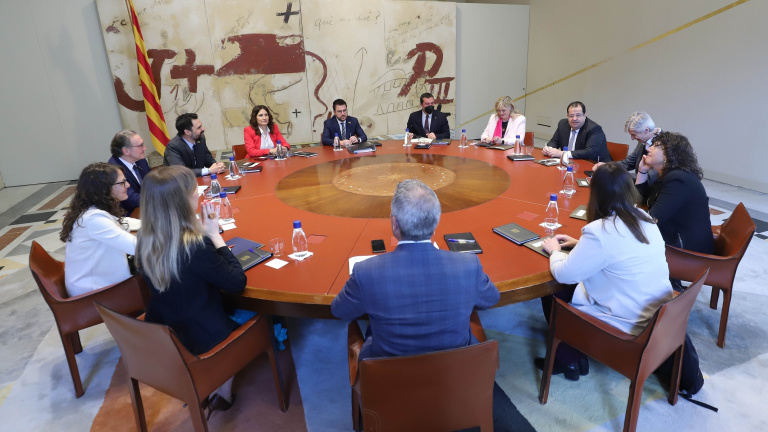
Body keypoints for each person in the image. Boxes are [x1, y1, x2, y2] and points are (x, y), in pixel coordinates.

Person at [539, 163, 703, 394]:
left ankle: (569, 360)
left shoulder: (599, 231)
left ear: (596, 194)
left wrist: (555, 250)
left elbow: (564, 273)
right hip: (657, 314)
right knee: (577, 283)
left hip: (630, 325)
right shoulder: (644, 217)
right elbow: (622, 251)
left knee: (552, 290)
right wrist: (580, 245)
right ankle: (572, 356)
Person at [331, 179, 500, 360]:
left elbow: (340, 311)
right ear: (436, 222)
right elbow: (491, 299)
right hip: (455, 370)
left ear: (395, 224)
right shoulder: (468, 265)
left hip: (388, 372)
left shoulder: (366, 272)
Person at [137, 165, 248, 414]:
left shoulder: (145, 240)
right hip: (203, 335)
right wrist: (214, 236)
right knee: (264, 313)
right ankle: (222, 390)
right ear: (182, 201)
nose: (198, 194)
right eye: (194, 190)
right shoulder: (193, 245)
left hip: (168, 331)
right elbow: (237, 283)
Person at [60, 163, 137, 297]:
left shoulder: (93, 210)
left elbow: (124, 222)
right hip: (94, 292)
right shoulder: (93, 219)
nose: (128, 185)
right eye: (122, 182)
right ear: (104, 188)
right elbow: (136, 247)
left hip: (99, 281)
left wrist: (155, 225)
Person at [635, 131, 714, 255]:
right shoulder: (669, 175)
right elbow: (643, 200)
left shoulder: (678, 179)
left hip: (686, 251)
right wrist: (642, 171)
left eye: (656, 146)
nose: (649, 149)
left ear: (669, 153)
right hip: (676, 237)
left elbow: (652, 220)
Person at [592, 111, 661, 183]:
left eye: (634, 134)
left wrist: (615, 174)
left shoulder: (664, 145)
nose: (632, 138)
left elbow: (650, 178)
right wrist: (607, 167)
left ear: (646, 130)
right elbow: (628, 162)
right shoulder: (643, 139)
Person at [543, 101, 611, 162]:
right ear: (567, 116)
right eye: (571, 116)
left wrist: (563, 153)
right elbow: (554, 141)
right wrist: (549, 149)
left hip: (596, 165)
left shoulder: (594, 129)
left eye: (578, 115)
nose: (574, 119)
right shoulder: (562, 124)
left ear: (584, 115)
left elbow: (590, 152)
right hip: (570, 162)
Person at [163, 113, 226, 177]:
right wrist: (209, 170)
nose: (203, 129)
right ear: (187, 132)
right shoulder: (173, 146)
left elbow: (208, 159)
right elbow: (181, 172)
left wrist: (218, 166)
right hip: (180, 182)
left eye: (201, 126)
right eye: (199, 127)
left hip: (199, 181)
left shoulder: (200, 139)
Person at [107, 130, 150, 215]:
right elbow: (131, 199)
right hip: (130, 214)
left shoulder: (140, 160)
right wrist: (159, 196)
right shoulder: (114, 170)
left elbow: (151, 182)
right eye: (140, 146)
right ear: (126, 151)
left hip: (147, 206)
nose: (144, 148)